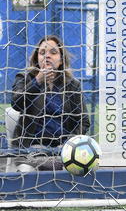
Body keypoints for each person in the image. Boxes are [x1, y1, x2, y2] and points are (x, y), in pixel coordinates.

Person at [11, 35, 90, 171]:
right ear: (37, 59)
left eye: (53, 52)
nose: (47, 56)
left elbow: (83, 121)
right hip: (31, 149)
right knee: (27, 172)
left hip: (63, 149)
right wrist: (37, 81)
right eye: (42, 53)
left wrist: (68, 145)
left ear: (60, 60)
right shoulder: (24, 78)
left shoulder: (72, 85)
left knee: (75, 170)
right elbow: (16, 103)